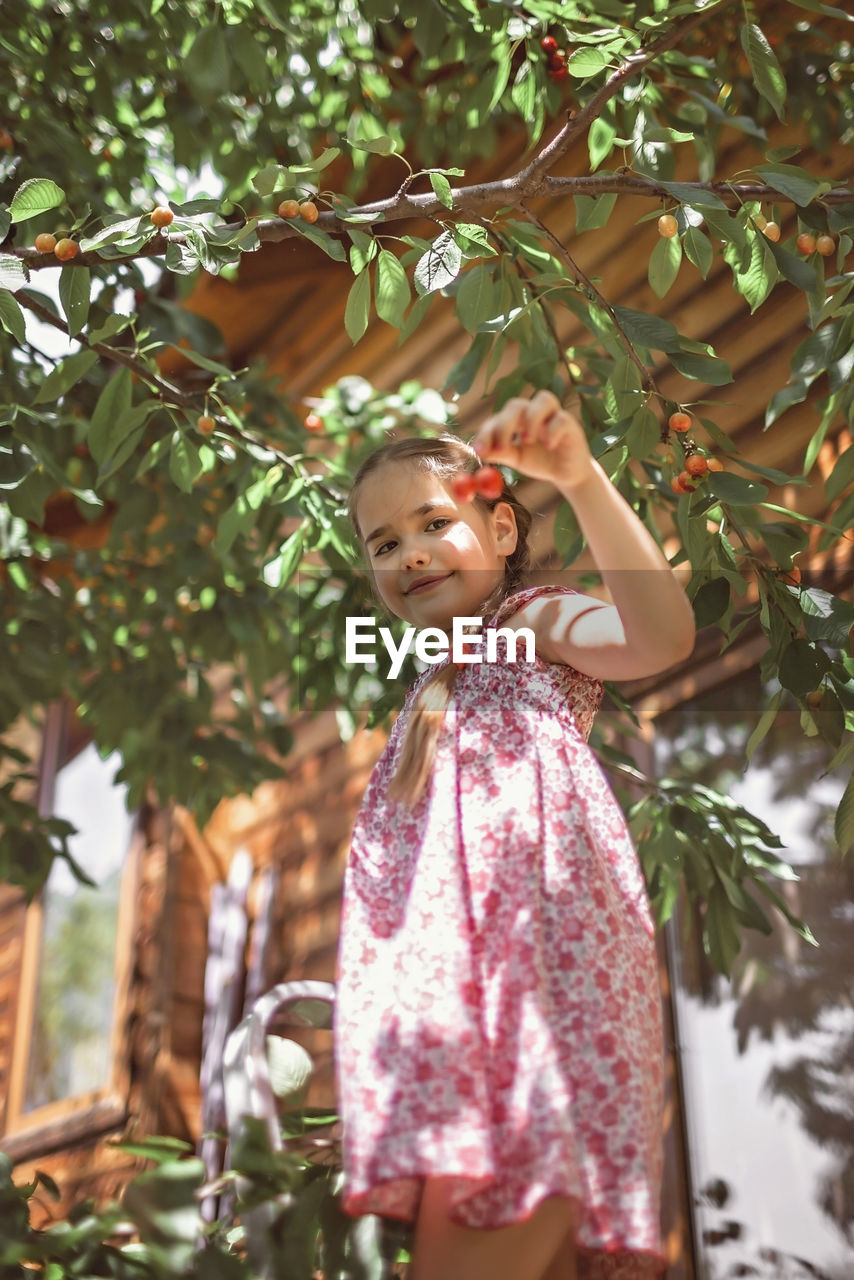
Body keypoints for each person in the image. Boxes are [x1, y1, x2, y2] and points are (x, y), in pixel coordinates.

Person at [334, 389, 696, 1280]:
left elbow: (657, 636)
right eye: (384, 543)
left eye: (434, 522)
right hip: (466, 1020)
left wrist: (579, 480)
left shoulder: (524, 622)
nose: (410, 551)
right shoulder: (425, 690)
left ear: (500, 534)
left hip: (542, 982)